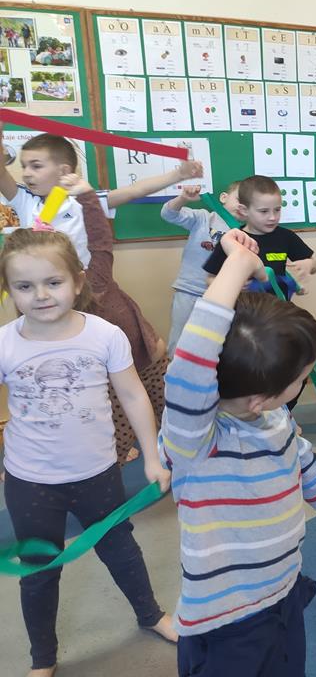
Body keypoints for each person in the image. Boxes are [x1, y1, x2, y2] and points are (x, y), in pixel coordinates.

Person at [160, 228, 316, 677]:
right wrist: (236, 265)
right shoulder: (195, 439)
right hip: (227, 620)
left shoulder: (275, 419)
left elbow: (306, 465)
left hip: (282, 591)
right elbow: (191, 361)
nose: (306, 382)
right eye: (302, 377)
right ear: (259, 398)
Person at [0, 228, 175, 677]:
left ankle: (150, 614)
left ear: (78, 281)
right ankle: (43, 658)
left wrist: (151, 456)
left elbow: (134, 396)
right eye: (25, 286)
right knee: (39, 569)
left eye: (53, 282)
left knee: (120, 548)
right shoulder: (5, 343)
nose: (41, 295)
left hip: (98, 472)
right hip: (30, 480)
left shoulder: (104, 334)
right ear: (9, 290)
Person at [58, 173, 171, 463]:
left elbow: (100, 240)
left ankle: (175, 461)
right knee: (117, 436)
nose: (47, 292)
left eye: (55, 281)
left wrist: (86, 196)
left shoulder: (96, 279)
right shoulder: (58, 312)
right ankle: (117, 462)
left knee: (171, 414)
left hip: (150, 362)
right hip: (113, 382)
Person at [0, 120, 204, 270]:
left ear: (63, 170)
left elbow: (135, 191)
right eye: (24, 166)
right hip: (36, 287)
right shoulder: (26, 200)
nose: (26, 173)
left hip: (81, 288)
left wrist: (179, 174)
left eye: (36, 166)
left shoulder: (86, 200)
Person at [202, 175, 316, 300]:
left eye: (277, 210)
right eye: (264, 211)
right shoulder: (232, 240)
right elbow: (210, 279)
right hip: (243, 310)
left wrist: (309, 264)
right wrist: (231, 286)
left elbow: (315, 264)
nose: (272, 217)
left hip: (278, 308)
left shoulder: (286, 236)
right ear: (244, 210)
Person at [160, 181, 241, 352]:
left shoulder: (248, 231)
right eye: (239, 199)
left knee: (217, 344)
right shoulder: (203, 218)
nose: (242, 206)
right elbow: (168, 214)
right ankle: (175, 368)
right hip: (189, 291)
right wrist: (183, 198)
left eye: (248, 203)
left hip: (224, 296)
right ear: (224, 198)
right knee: (180, 340)